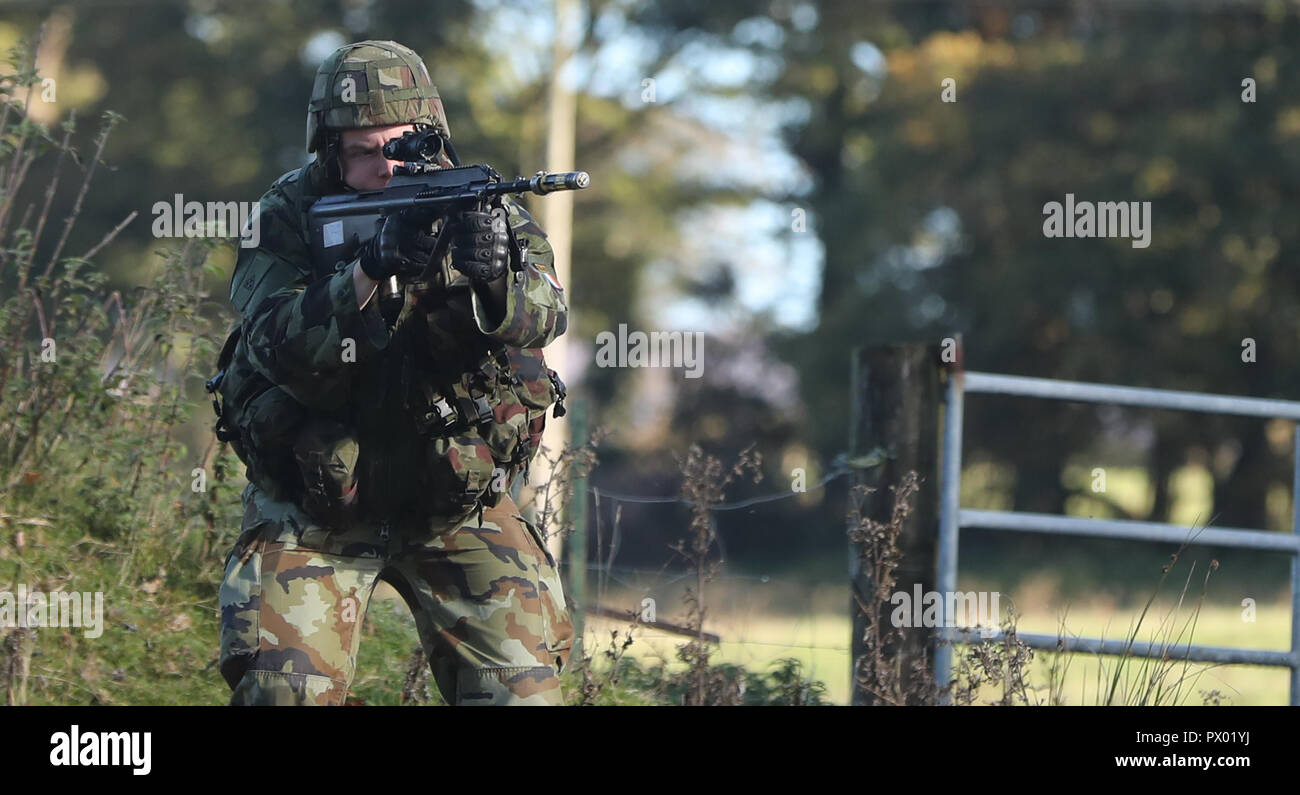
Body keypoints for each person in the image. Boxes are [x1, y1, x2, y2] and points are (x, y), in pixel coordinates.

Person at [215, 40, 573, 706]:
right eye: (361, 150)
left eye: (399, 145)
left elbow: (548, 314)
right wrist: (368, 269)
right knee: (283, 690)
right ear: (330, 149)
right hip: (317, 500)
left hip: (452, 496)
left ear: (429, 134)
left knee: (523, 693)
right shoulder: (288, 215)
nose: (385, 166)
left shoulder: (480, 201)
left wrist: (494, 278)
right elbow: (270, 343)